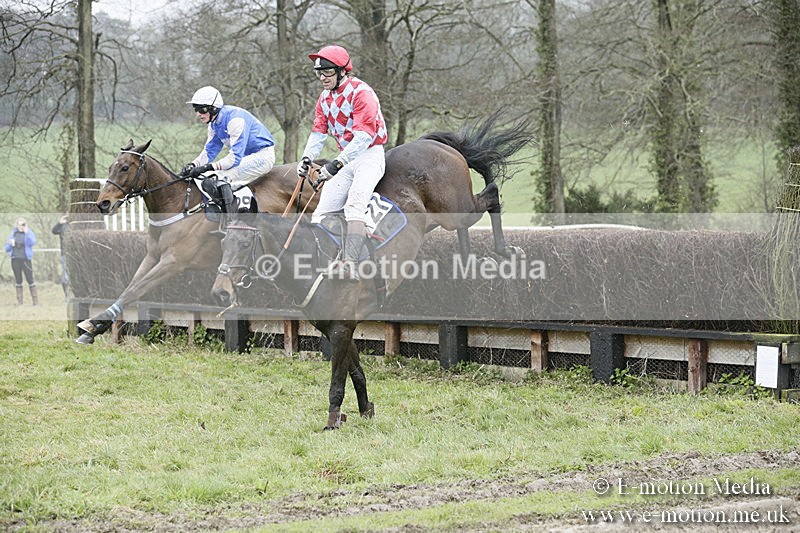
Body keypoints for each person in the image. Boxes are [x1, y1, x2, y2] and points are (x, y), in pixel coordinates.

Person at [297, 45, 388, 281]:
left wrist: (336, 164)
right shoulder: (324, 98)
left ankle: (351, 264)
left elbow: (364, 136)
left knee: (353, 208)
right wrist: (307, 158)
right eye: (319, 72)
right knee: (320, 213)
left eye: (327, 72)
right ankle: (326, 260)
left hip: (369, 155)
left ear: (341, 72)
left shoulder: (361, 93)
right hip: (347, 158)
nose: (322, 78)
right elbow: (318, 132)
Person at [179, 86, 276, 215]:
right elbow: (209, 152)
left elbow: (234, 159)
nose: (198, 114)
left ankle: (230, 221)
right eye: (196, 109)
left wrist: (207, 167)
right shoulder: (214, 124)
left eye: (201, 109)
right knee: (204, 179)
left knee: (218, 178)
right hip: (245, 158)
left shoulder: (235, 120)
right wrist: (193, 164)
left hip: (262, 157)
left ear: (214, 108)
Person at [5, 217, 37, 306]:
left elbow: (33, 242)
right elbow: (6, 248)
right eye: (20, 224)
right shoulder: (13, 234)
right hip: (15, 259)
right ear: (17, 225)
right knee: (18, 279)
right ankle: (20, 302)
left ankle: (35, 301)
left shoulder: (29, 233)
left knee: (30, 279)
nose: (22, 226)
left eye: (23, 224)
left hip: (26, 259)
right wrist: (10, 244)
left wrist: (26, 233)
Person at [51, 214, 69, 299]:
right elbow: (54, 231)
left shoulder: (75, 224)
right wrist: (60, 223)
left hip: (75, 254)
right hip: (64, 254)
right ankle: (67, 295)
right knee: (65, 276)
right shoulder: (63, 226)